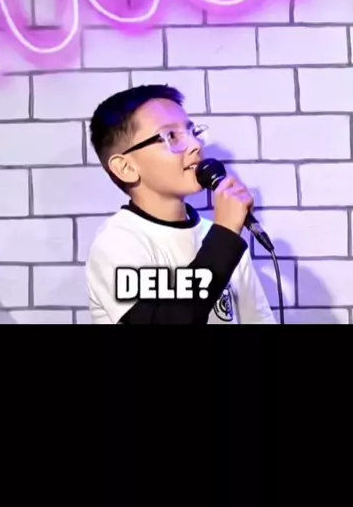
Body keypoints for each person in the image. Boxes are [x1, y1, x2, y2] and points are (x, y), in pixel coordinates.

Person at [85, 83, 276, 325]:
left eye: (192, 132)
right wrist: (226, 236)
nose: (196, 145)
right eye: (171, 136)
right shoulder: (116, 242)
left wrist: (226, 235)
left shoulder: (220, 235)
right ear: (126, 167)